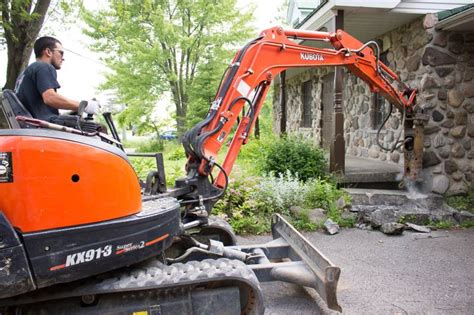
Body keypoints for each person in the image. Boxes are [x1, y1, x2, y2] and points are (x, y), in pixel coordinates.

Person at [14, 36, 99, 124]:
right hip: (43, 126)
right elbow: (50, 98)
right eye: (61, 53)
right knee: (97, 128)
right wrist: (84, 106)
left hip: (32, 124)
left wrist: (73, 109)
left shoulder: (25, 74)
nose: (63, 58)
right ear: (48, 52)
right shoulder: (44, 67)